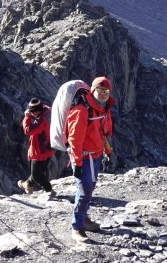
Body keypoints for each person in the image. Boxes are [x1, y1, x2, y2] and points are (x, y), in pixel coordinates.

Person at [68, 76, 114, 243]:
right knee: (85, 191)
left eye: (106, 91)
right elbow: (75, 139)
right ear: (93, 91)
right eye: (99, 91)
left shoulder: (103, 109)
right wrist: (77, 164)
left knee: (88, 190)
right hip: (84, 157)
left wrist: (108, 151)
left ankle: (84, 220)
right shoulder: (82, 110)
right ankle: (77, 227)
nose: (103, 94)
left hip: (96, 156)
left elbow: (104, 133)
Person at [18, 98, 56, 196]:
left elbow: (28, 131)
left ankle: (49, 190)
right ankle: (28, 184)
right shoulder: (48, 112)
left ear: (36, 111)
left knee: (36, 174)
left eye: (32, 112)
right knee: (40, 171)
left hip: (39, 151)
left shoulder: (41, 121)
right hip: (49, 147)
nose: (31, 114)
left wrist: (26, 117)